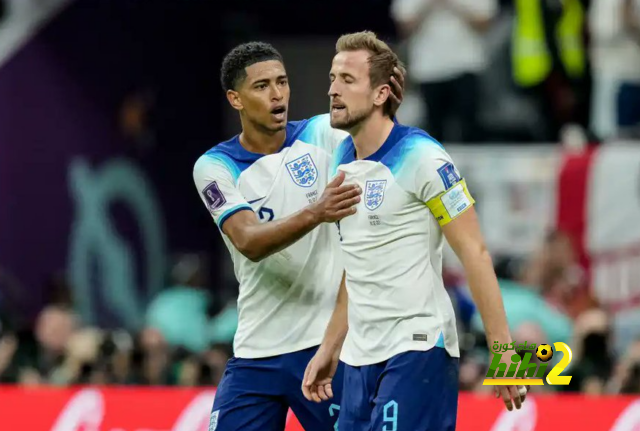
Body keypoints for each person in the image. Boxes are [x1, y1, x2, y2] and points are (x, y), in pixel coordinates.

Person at [301, 31, 528, 431]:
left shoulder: (424, 157)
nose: (333, 90)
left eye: (347, 80)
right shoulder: (341, 160)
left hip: (418, 347)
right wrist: (330, 345)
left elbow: (474, 251)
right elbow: (356, 267)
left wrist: (504, 349)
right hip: (358, 357)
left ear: (380, 94)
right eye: (332, 79)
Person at [193, 42, 404, 431]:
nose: (277, 95)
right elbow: (248, 241)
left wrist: (381, 94)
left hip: (325, 346)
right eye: (261, 86)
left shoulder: (321, 134)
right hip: (256, 350)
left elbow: (372, 123)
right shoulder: (214, 166)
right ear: (235, 98)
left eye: (282, 82)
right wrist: (316, 212)